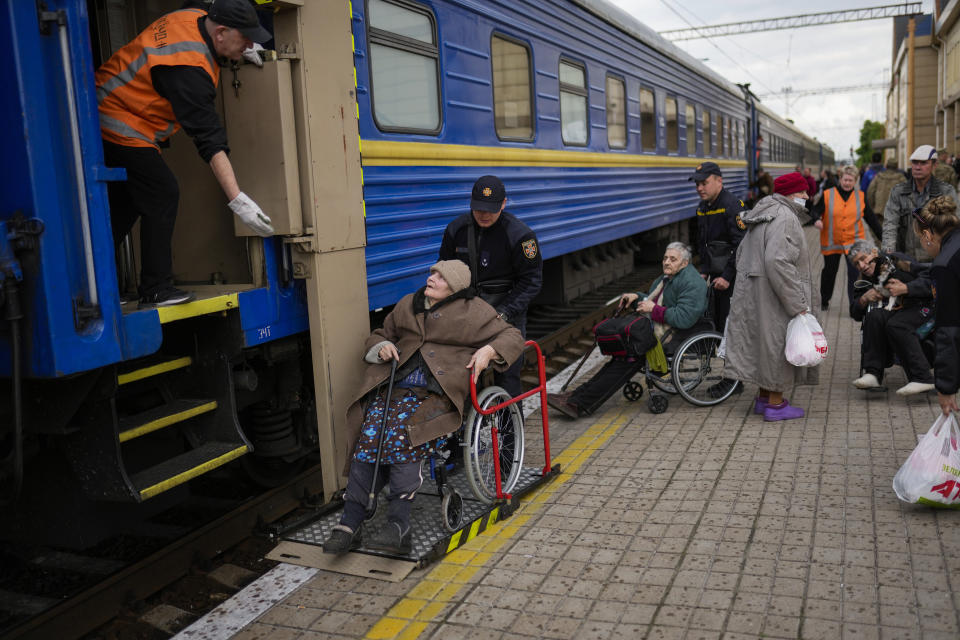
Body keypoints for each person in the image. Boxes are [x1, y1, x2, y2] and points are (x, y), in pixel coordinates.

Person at [322, 261, 524, 555]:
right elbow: (382, 333)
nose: (432, 278)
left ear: (455, 286)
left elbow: (512, 335)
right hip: (397, 386)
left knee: (406, 433)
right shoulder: (408, 304)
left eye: (440, 277)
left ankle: (399, 523)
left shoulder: (475, 311)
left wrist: (489, 350)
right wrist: (380, 347)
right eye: (432, 273)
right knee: (369, 432)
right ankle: (351, 521)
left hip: (437, 393)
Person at [96, 0, 274, 307]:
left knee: (127, 202)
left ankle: (95, 285)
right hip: (118, 117)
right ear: (220, 33)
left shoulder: (196, 15)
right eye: (244, 37)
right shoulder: (187, 69)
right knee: (162, 192)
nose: (249, 43)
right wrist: (237, 200)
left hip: (109, 104)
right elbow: (209, 140)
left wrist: (240, 49)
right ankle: (155, 288)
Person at [546, 243, 707, 418]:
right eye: (665, 258)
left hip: (675, 336)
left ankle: (580, 404)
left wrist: (653, 310)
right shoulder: (670, 278)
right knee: (622, 355)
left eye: (672, 259)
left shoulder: (692, 283)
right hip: (660, 329)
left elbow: (684, 318)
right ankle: (575, 396)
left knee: (629, 357)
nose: (666, 262)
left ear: (684, 263)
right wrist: (637, 296)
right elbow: (657, 301)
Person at [724, 172, 821, 422]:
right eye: (802, 193)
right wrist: (798, 303)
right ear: (790, 194)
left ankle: (763, 398)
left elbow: (742, 254)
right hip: (775, 294)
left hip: (756, 291)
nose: (806, 197)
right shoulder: (786, 217)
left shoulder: (761, 212)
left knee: (764, 346)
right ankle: (776, 406)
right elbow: (777, 261)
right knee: (778, 346)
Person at [438, 176, 542, 398]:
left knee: (508, 379)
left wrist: (505, 313)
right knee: (460, 377)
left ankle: (510, 431)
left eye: (491, 209)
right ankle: (464, 430)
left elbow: (531, 281)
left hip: (505, 316)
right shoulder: (456, 230)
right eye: (479, 209)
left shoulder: (521, 236)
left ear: (503, 204)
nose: (484, 214)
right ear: (470, 203)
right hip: (465, 316)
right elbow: (444, 272)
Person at [847, 239, 935, 395]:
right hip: (897, 312)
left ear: (874, 253)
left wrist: (907, 288)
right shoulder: (863, 281)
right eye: (856, 264)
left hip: (921, 306)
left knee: (896, 325)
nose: (861, 266)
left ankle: (922, 377)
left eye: (862, 259)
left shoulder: (896, 260)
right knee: (874, 316)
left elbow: (929, 279)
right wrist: (863, 299)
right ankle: (872, 374)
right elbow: (855, 313)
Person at [913, 197, 960, 415]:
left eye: (920, 239)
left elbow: (948, 329)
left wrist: (945, 387)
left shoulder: (943, 266)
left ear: (928, 236)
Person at [689, 161, 746, 331]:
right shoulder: (703, 207)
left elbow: (742, 245)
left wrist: (727, 276)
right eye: (697, 184)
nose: (699, 188)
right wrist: (704, 271)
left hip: (733, 277)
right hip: (716, 276)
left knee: (731, 326)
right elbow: (703, 242)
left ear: (719, 181)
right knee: (717, 323)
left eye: (704, 183)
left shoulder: (732, 206)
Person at [811, 165, 877, 311]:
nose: (847, 183)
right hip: (831, 242)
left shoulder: (860, 196)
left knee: (854, 274)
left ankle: (854, 304)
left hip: (854, 243)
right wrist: (816, 219)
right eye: (845, 180)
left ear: (855, 181)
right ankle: (824, 300)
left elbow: (871, 220)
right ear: (840, 179)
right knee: (829, 272)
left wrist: (883, 237)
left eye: (851, 180)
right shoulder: (828, 194)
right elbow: (815, 210)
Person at [882, 145, 958, 262]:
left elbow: (955, 226)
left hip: (936, 260)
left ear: (935, 165)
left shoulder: (946, 191)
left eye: (923, 163)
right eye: (915, 163)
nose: (917, 167)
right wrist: (889, 251)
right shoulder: (898, 192)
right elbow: (890, 224)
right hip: (906, 260)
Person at [866, 157, 906, 223]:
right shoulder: (901, 179)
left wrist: (872, 207)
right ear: (896, 167)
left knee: (879, 231)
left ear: (886, 166)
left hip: (879, 212)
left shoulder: (878, 177)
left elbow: (870, 192)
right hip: (895, 213)